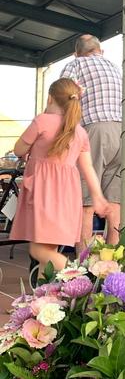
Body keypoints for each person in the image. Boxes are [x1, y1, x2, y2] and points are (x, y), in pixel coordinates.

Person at [10, 78, 110, 276]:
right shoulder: (79, 131)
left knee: (38, 250)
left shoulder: (42, 121)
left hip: (43, 193)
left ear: (49, 99)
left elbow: (18, 149)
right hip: (68, 196)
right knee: (48, 252)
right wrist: (98, 196)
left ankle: (82, 275)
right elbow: (88, 167)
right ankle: (42, 300)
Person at [60, 34, 121, 245]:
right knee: (114, 201)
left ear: (76, 52)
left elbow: (62, 97)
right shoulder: (114, 67)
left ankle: (83, 266)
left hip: (95, 131)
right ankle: (113, 264)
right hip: (122, 133)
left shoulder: (75, 64)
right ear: (100, 50)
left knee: (85, 201)